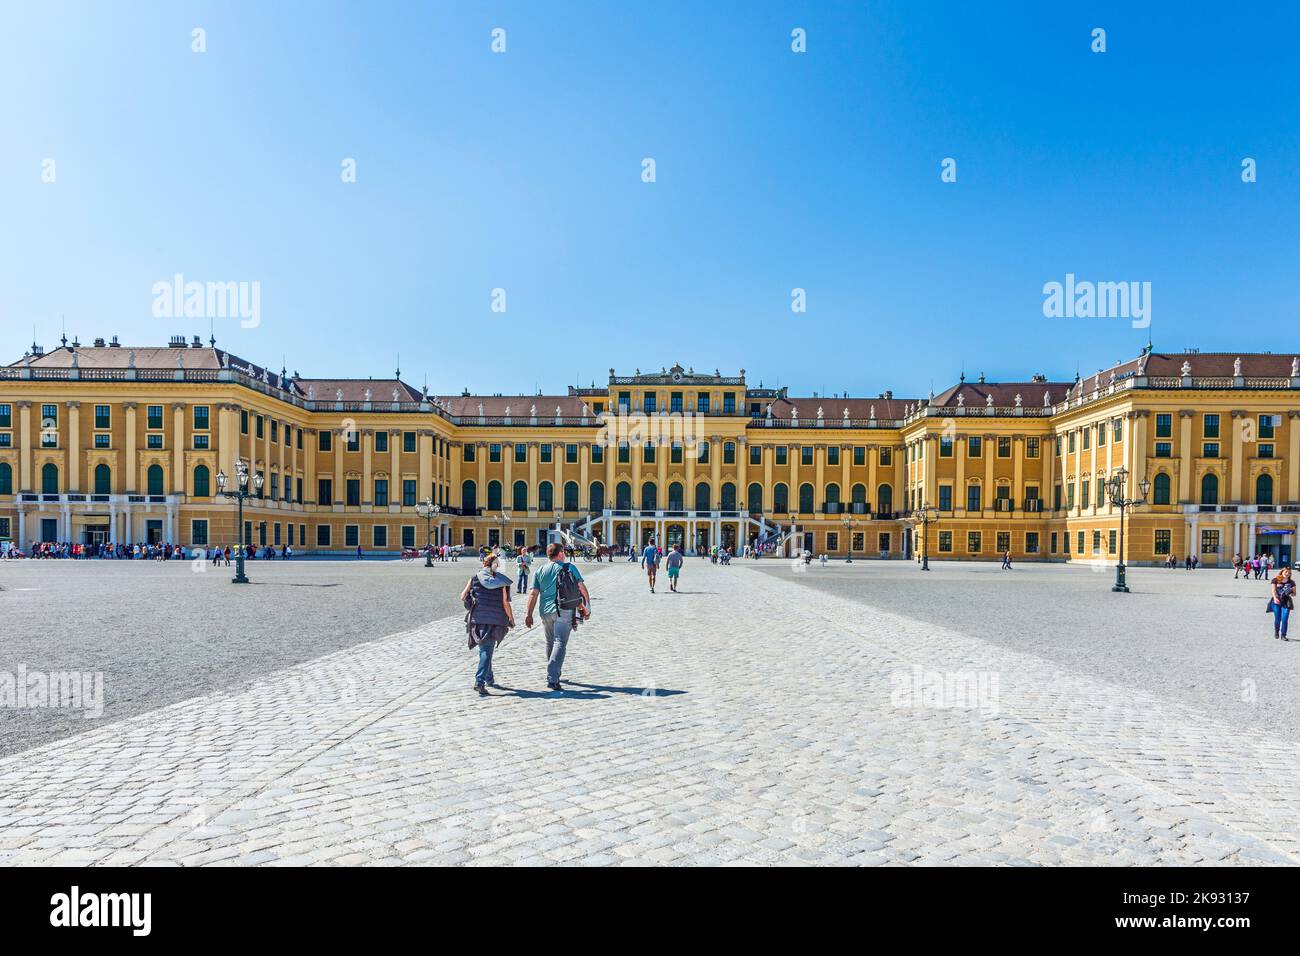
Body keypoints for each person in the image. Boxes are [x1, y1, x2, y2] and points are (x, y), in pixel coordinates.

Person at [525, 543, 591, 692]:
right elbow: (581, 587)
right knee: (560, 642)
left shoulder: (540, 570)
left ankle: (554, 672)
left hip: (545, 611)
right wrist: (587, 607)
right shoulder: (569, 567)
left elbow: (533, 594)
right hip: (564, 609)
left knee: (550, 642)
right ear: (561, 553)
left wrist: (528, 614)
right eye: (564, 552)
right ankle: (553, 677)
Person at [461, 552, 515, 695]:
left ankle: (489, 678)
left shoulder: (474, 578)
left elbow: (462, 596)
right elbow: (505, 603)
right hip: (495, 620)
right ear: (493, 565)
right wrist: (511, 619)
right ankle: (479, 681)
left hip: (477, 619)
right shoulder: (501, 582)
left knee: (485, 650)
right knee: (486, 650)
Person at [1270, 566, 1295, 641]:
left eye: (1289, 573)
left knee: (1284, 619)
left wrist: (1291, 592)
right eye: (1286, 572)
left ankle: (1283, 635)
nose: (1287, 574)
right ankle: (1276, 631)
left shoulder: (1291, 582)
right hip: (1276, 601)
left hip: (1286, 602)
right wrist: (1275, 598)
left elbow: (1294, 593)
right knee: (1278, 618)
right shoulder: (1275, 580)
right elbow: (1273, 591)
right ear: (1282, 572)